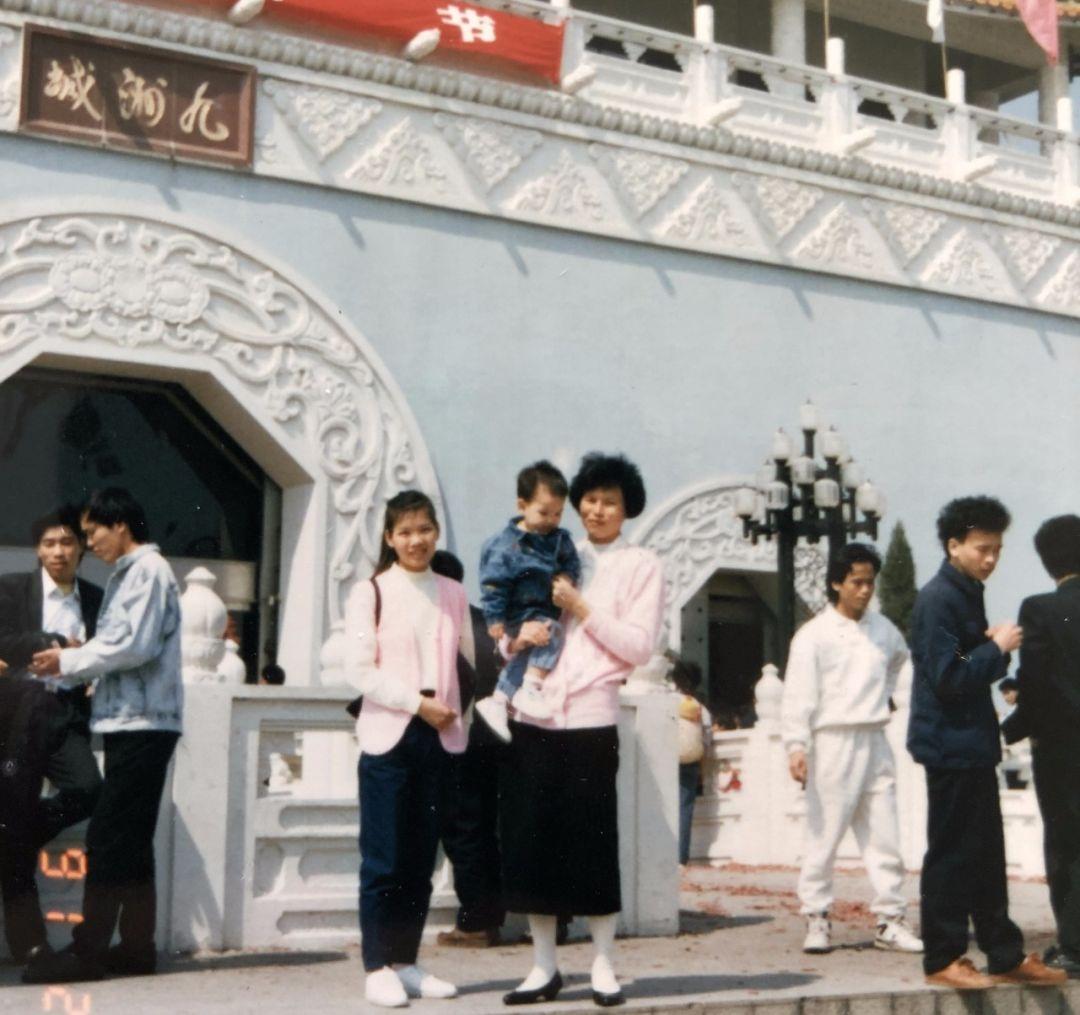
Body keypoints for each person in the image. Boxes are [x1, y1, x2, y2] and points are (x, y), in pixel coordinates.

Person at [500, 452, 664, 1008]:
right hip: (534, 710)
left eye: (609, 502)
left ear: (627, 508)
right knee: (534, 839)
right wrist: (515, 638)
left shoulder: (641, 565)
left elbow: (638, 646)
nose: (597, 510)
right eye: (590, 500)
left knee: (591, 842)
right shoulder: (551, 549)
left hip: (592, 713)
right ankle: (543, 965)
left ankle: (603, 964)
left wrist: (581, 606)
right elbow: (513, 612)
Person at [23, 488, 183, 984]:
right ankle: (135, 948)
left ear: (121, 525)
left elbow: (132, 645)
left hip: (143, 722)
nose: (89, 544)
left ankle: (88, 951)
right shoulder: (130, 573)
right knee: (131, 841)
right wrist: (79, 657)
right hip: (131, 720)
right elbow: (121, 645)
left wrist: (69, 659)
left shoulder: (148, 572)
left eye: (93, 533)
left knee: (108, 837)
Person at [907, 496, 1064, 990]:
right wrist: (996, 649)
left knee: (986, 853)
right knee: (952, 852)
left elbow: (959, 661)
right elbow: (948, 675)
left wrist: (987, 647)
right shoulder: (939, 598)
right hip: (949, 745)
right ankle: (943, 957)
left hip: (969, 743)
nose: (991, 559)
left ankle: (1004, 953)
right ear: (953, 545)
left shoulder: (964, 592)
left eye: (997, 549)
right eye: (982, 548)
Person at [344, 491, 469, 1008]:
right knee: (384, 857)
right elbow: (359, 670)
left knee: (421, 858)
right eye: (406, 532)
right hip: (389, 735)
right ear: (390, 538)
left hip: (441, 736)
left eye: (425, 530)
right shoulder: (370, 591)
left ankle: (405, 962)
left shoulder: (453, 592)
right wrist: (418, 705)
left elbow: (467, 663)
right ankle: (377, 966)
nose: (416, 540)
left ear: (436, 532)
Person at [781, 543, 922, 956]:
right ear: (836, 583)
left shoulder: (884, 630)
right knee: (823, 835)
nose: (864, 590)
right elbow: (798, 695)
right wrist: (796, 745)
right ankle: (817, 916)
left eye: (870, 582)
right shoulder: (813, 636)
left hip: (874, 739)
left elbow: (900, 663)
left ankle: (890, 919)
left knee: (885, 834)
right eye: (856, 582)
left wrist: (887, 698)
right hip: (832, 741)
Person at [0, 507, 104, 964]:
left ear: (80, 549)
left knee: (88, 789)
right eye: (49, 544)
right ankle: (31, 944)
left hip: (64, 714)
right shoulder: (11, 590)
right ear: (38, 551)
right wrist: (53, 643)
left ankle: (16, 838)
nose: (58, 551)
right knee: (14, 809)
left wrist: (87, 655)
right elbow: (2, 641)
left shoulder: (97, 599)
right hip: (16, 714)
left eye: (66, 543)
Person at [1013, 515, 1080, 977]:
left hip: (1061, 749)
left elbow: (1036, 684)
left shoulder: (1039, 609)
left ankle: (1074, 945)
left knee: (1066, 844)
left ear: (1045, 561)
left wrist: (1009, 727)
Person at [428, 550, 507, 948]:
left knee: (463, 831)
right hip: (497, 739)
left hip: (457, 739)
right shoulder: (487, 622)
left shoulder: (438, 622)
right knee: (489, 830)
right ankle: (491, 916)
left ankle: (477, 920)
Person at [474, 461, 581, 741]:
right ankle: (531, 687)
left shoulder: (560, 540)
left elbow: (572, 562)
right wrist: (495, 619)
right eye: (544, 512)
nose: (551, 520)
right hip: (516, 614)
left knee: (528, 654)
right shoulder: (504, 546)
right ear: (522, 505)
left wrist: (567, 576)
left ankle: (498, 700)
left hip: (543, 609)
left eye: (558, 513)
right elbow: (493, 585)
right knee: (552, 632)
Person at [671, 658, 707, 870]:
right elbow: (707, 736)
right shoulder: (699, 707)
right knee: (684, 809)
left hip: (668, 759)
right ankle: (680, 858)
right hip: (691, 761)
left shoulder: (667, 701)